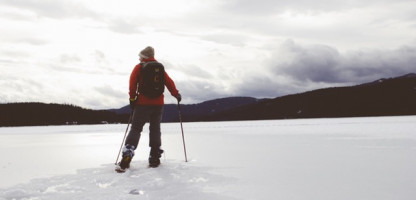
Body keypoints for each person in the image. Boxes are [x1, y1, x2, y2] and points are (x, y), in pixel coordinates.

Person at [117, 46, 181, 171]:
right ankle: (154, 156)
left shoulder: (139, 67)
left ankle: (128, 152)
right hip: (158, 104)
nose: (139, 58)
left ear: (144, 56)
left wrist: (132, 99)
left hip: (142, 103)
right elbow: (169, 82)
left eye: (140, 56)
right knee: (155, 129)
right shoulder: (159, 68)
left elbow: (132, 84)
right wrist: (176, 94)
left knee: (136, 128)